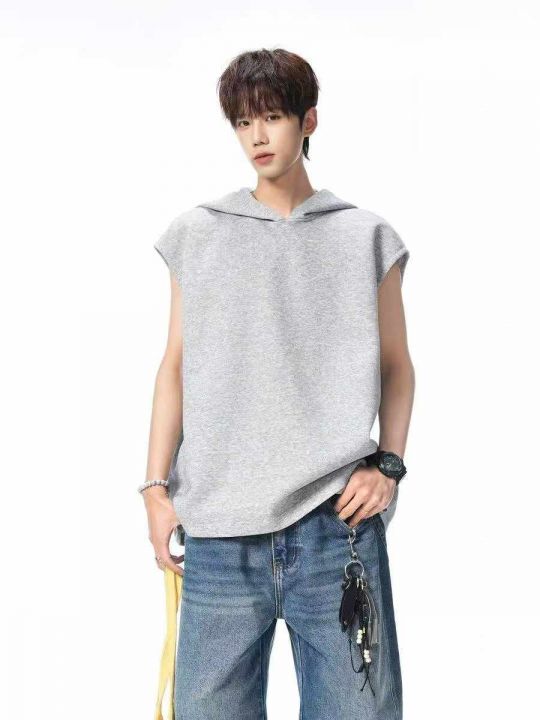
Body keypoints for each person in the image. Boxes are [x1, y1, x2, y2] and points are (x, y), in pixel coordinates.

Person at [141, 47, 415, 720]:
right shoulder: (198, 233)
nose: (257, 136)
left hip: (337, 531)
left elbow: (397, 365)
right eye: (243, 122)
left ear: (308, 120)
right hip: (218, 535)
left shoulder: (366, 236)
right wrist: (154, 489)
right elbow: (176, 364)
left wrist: (389, 464)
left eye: (272, 117)